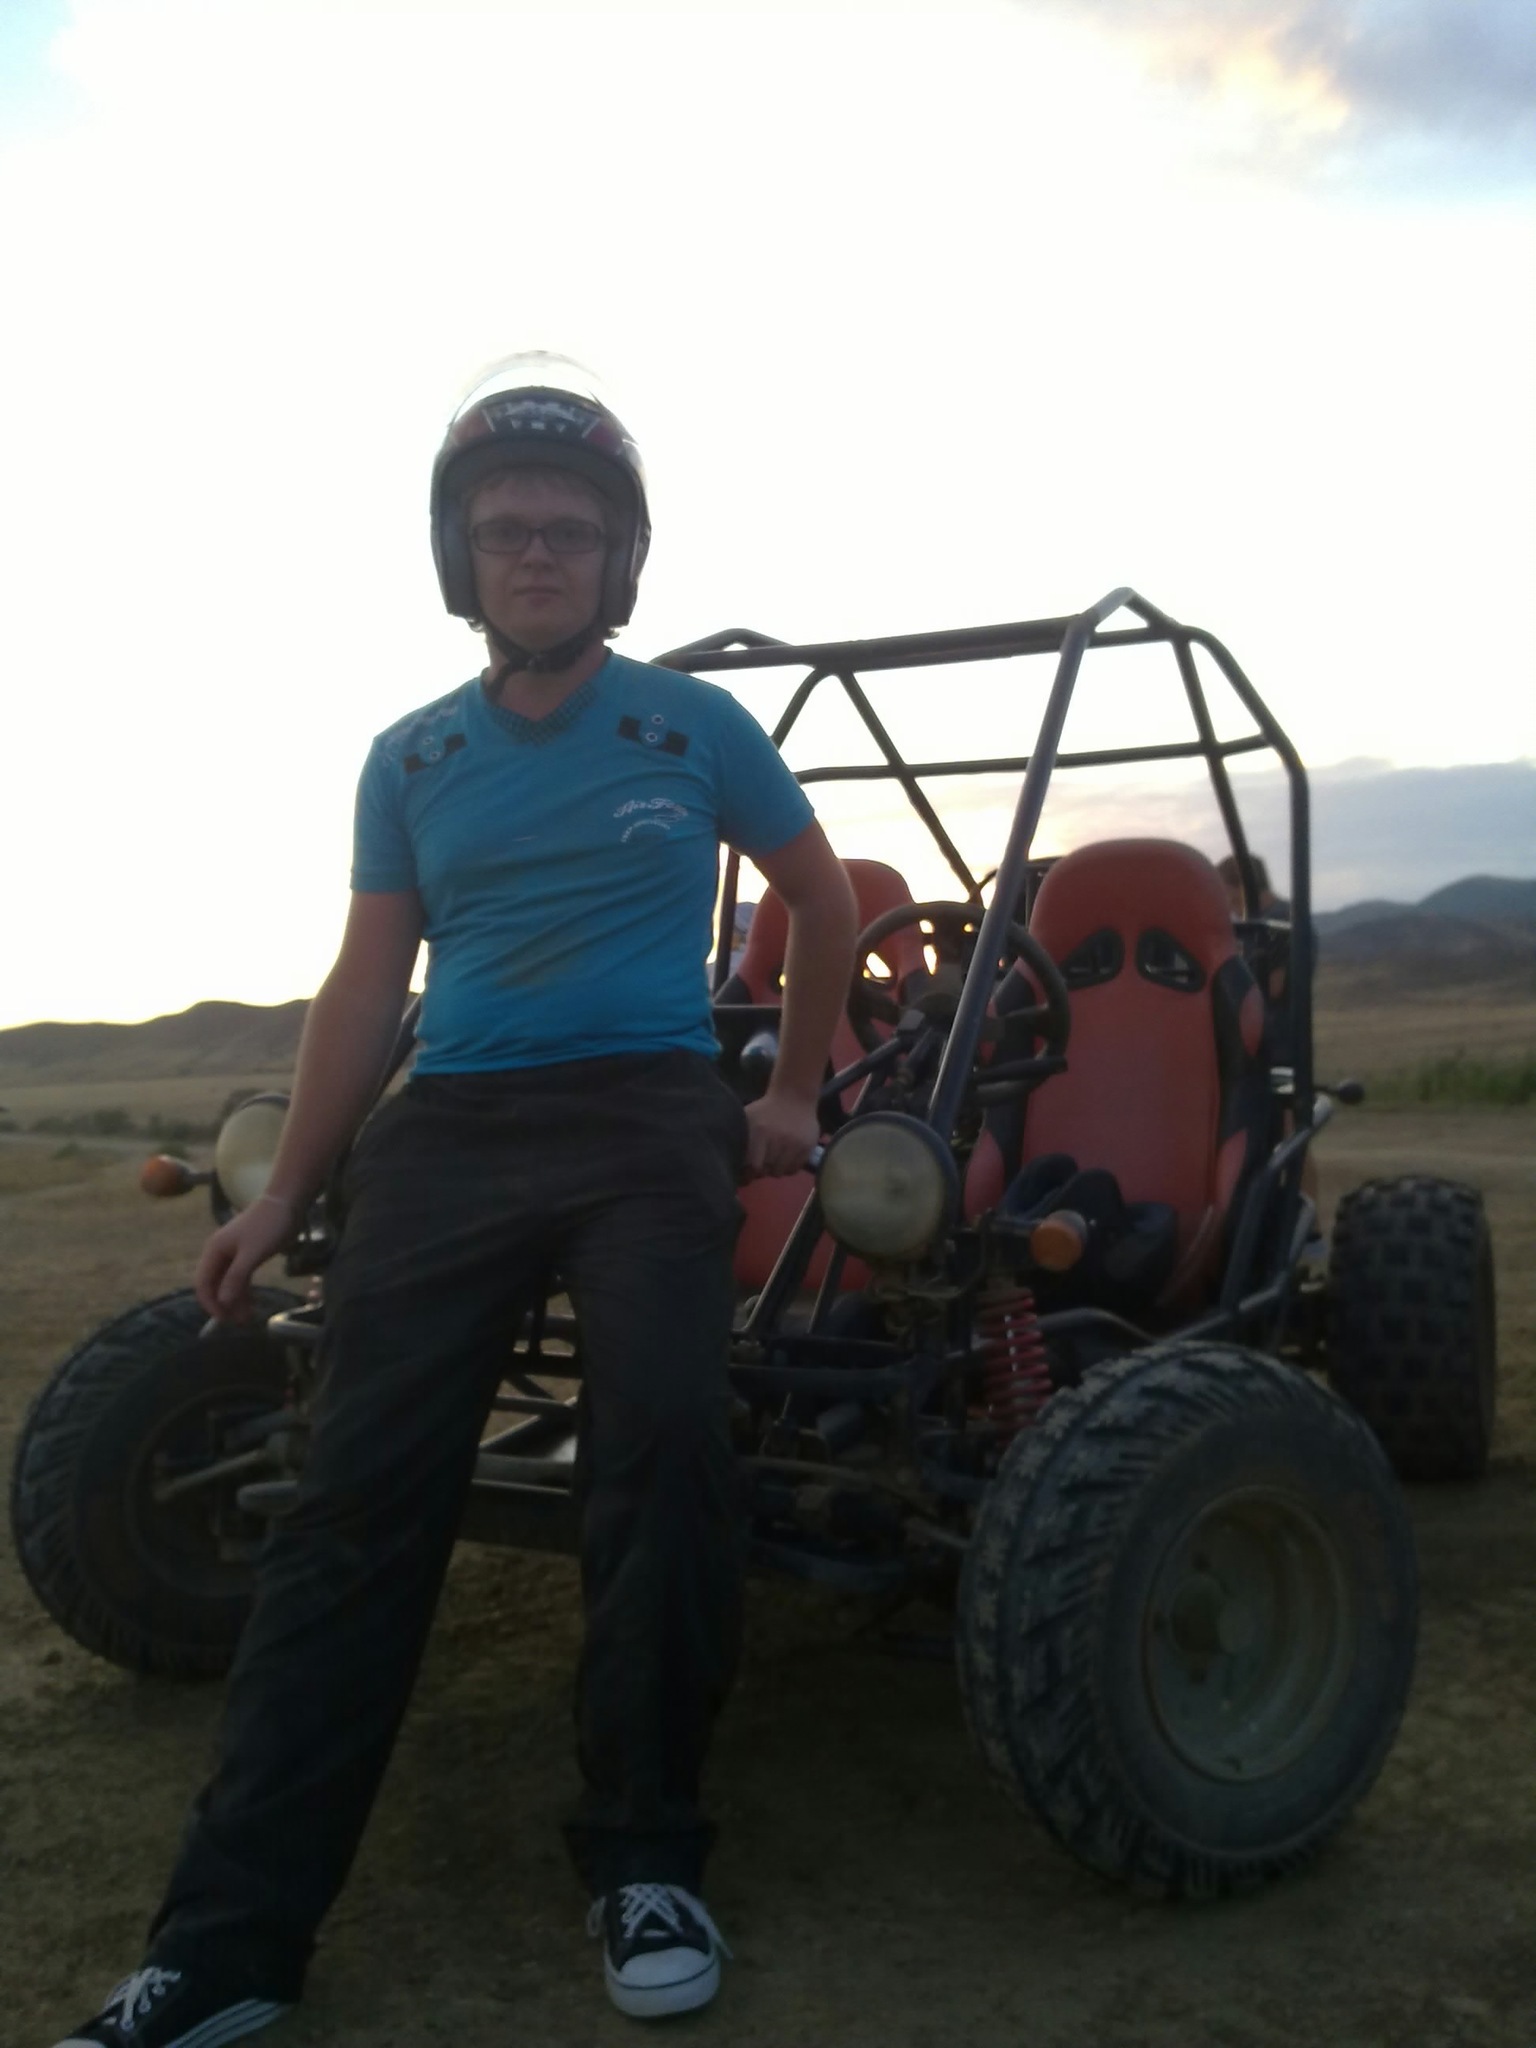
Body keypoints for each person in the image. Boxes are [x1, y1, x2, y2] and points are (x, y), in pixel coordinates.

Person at [55, 354, 858, 2045]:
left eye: (569, 529)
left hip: (649, 1114)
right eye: (507, 529)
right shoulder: (410, 757)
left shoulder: (693, 726)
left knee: (662, 1450)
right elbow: (367, 985)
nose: (538, 552)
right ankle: (227, 1947)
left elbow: (820, 898)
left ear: (619, 559)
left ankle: (645, 1858)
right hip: (455, 1127)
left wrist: (788, 1096)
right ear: (461, 557)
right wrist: (285, 1189)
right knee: (353, 1498)